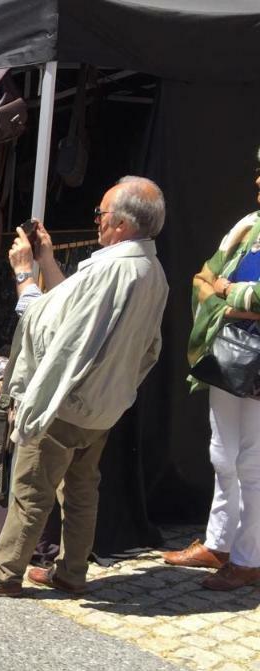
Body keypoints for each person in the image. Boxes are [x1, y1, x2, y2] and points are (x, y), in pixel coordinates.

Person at [0, 176, 170, 597]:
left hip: (66, 401)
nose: (97, 222)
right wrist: (48, 262)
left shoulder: (112, 270)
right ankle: (71, 571)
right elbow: (83, 315)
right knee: (81, 487)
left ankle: (4, 573)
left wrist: (24, 278)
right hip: (102, 404)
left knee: (32, 488)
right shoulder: (151, 270)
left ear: (123, 224)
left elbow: (48, 327)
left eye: (101, 215)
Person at [164, 152, 260, 590]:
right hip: (231, 348)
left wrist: (229, 293)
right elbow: (202, 278)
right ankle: (220, 543)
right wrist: (234, 299)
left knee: (254, 461)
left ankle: (249, 557)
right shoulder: (246, 225)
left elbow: (223, 289)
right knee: (222, 452)